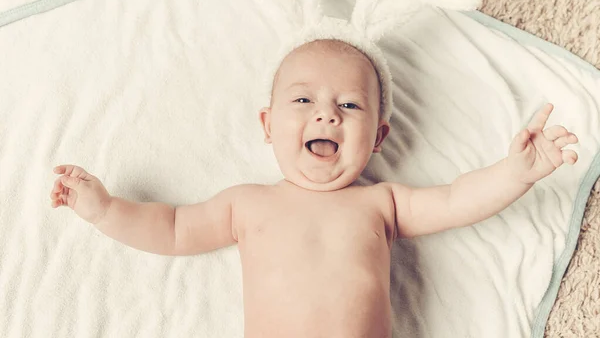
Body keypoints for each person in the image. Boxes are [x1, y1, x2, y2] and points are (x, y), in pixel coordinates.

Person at [49, 39, 579, 338]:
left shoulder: (382, 202)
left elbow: (457, 200)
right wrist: (105, 209)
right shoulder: (247, 203)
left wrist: (515, 173)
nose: (327, 111)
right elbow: (170, 228)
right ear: (267, 124)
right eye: (303, 101)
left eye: (349, 105)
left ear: (377, 137)